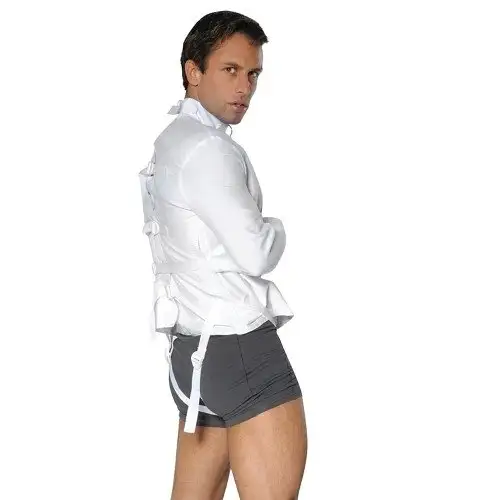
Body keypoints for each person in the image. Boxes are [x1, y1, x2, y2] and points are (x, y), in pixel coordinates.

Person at [138, 10, 308, 499]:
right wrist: (277, 228)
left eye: (253, 74)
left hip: (192, 355)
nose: (244, 87)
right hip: (240, 349)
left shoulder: (170, 143)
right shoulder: (209, 148)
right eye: (230, 70)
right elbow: (257, 253)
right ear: (193, 71)